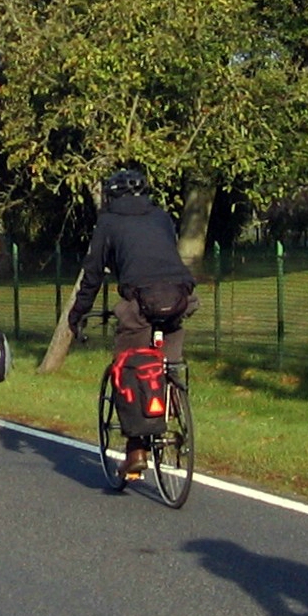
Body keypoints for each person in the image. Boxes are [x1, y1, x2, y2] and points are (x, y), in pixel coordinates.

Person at [64, 164, 199, 478]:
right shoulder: (162, 216)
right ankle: (172, 397)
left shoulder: (108, 222)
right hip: (180, 296)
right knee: (169, 358)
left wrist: (77, 313)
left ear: (111, 197)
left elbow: (93, 273)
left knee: (128, 366)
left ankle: (135, 450)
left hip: (141, 299)